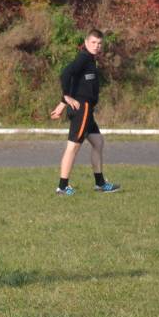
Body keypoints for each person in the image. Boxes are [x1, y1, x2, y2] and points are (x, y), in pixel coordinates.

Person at [49, 28, 120, 196]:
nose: (96, 46)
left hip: (88, 110)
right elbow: (66, 73)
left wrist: (62, 104)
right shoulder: (83, 58)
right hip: (82, 109)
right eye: (93, 42)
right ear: (86, 42)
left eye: (99, 43)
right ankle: (62, 187)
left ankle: (100, 184)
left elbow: (76, 82)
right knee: (73, 146)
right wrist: (66, 97)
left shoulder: (90, 60)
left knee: (98, 142)